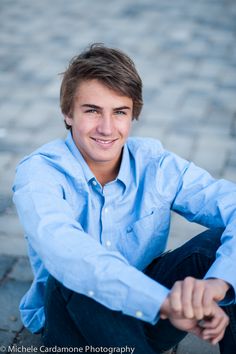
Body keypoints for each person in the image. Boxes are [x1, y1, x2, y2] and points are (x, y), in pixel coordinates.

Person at [13, 44, 236, 353]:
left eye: (119, 112)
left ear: (133, 115)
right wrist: (164, 301)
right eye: (92, 110)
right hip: (74, 327)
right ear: (67, 113)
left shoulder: (154, 164)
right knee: (74, 273)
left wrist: (219, 285)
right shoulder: (39, 174)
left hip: (149, 315)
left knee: (222, 247)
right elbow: (69, 254)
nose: (106, 128)